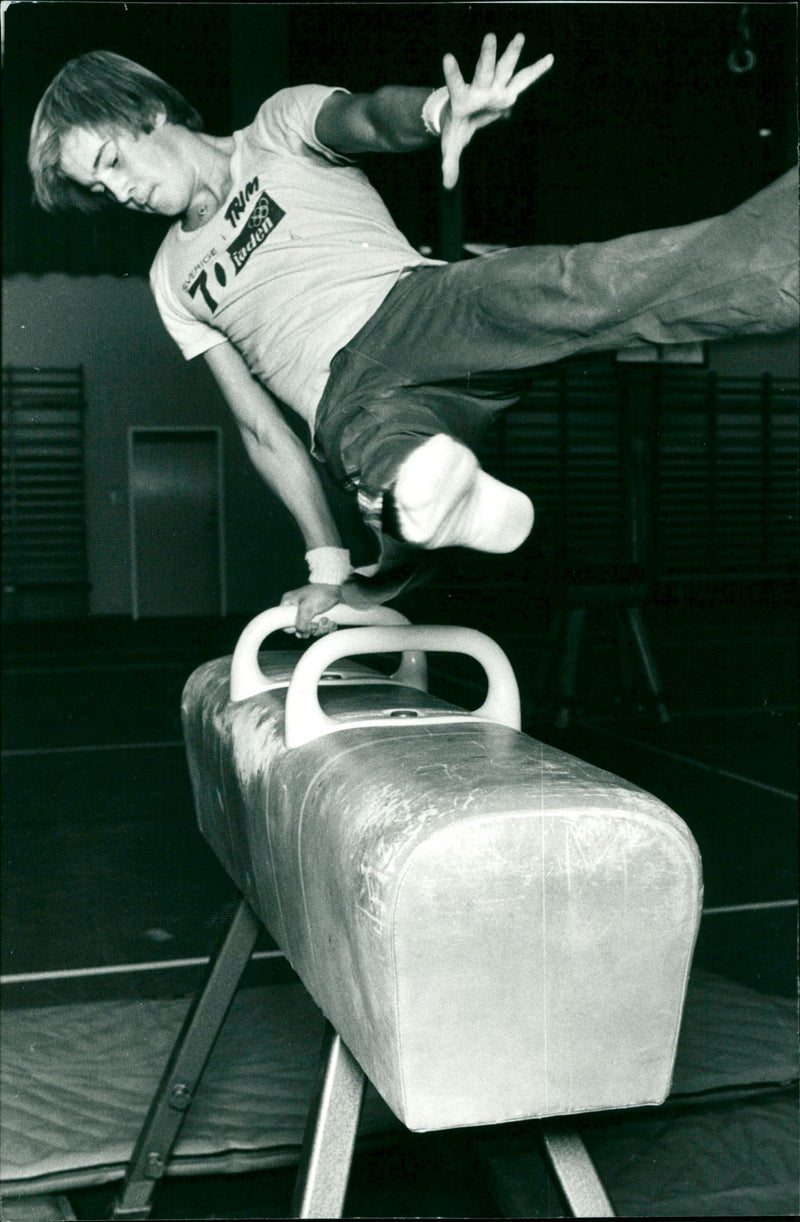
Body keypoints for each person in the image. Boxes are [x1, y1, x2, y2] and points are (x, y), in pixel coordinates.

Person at [29, 35, 798, 634]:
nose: (120, 192)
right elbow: (260, 427)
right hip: (346, 393)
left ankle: (787, 248)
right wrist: (326, 561)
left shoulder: (277, 126)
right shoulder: (172, 277)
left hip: (427, 312)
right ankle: (430, 495)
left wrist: (437, 111)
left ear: (146, 112)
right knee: (378, 448)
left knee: (586, 282)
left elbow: (366, 116)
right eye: (101, 190)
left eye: (112, 162)